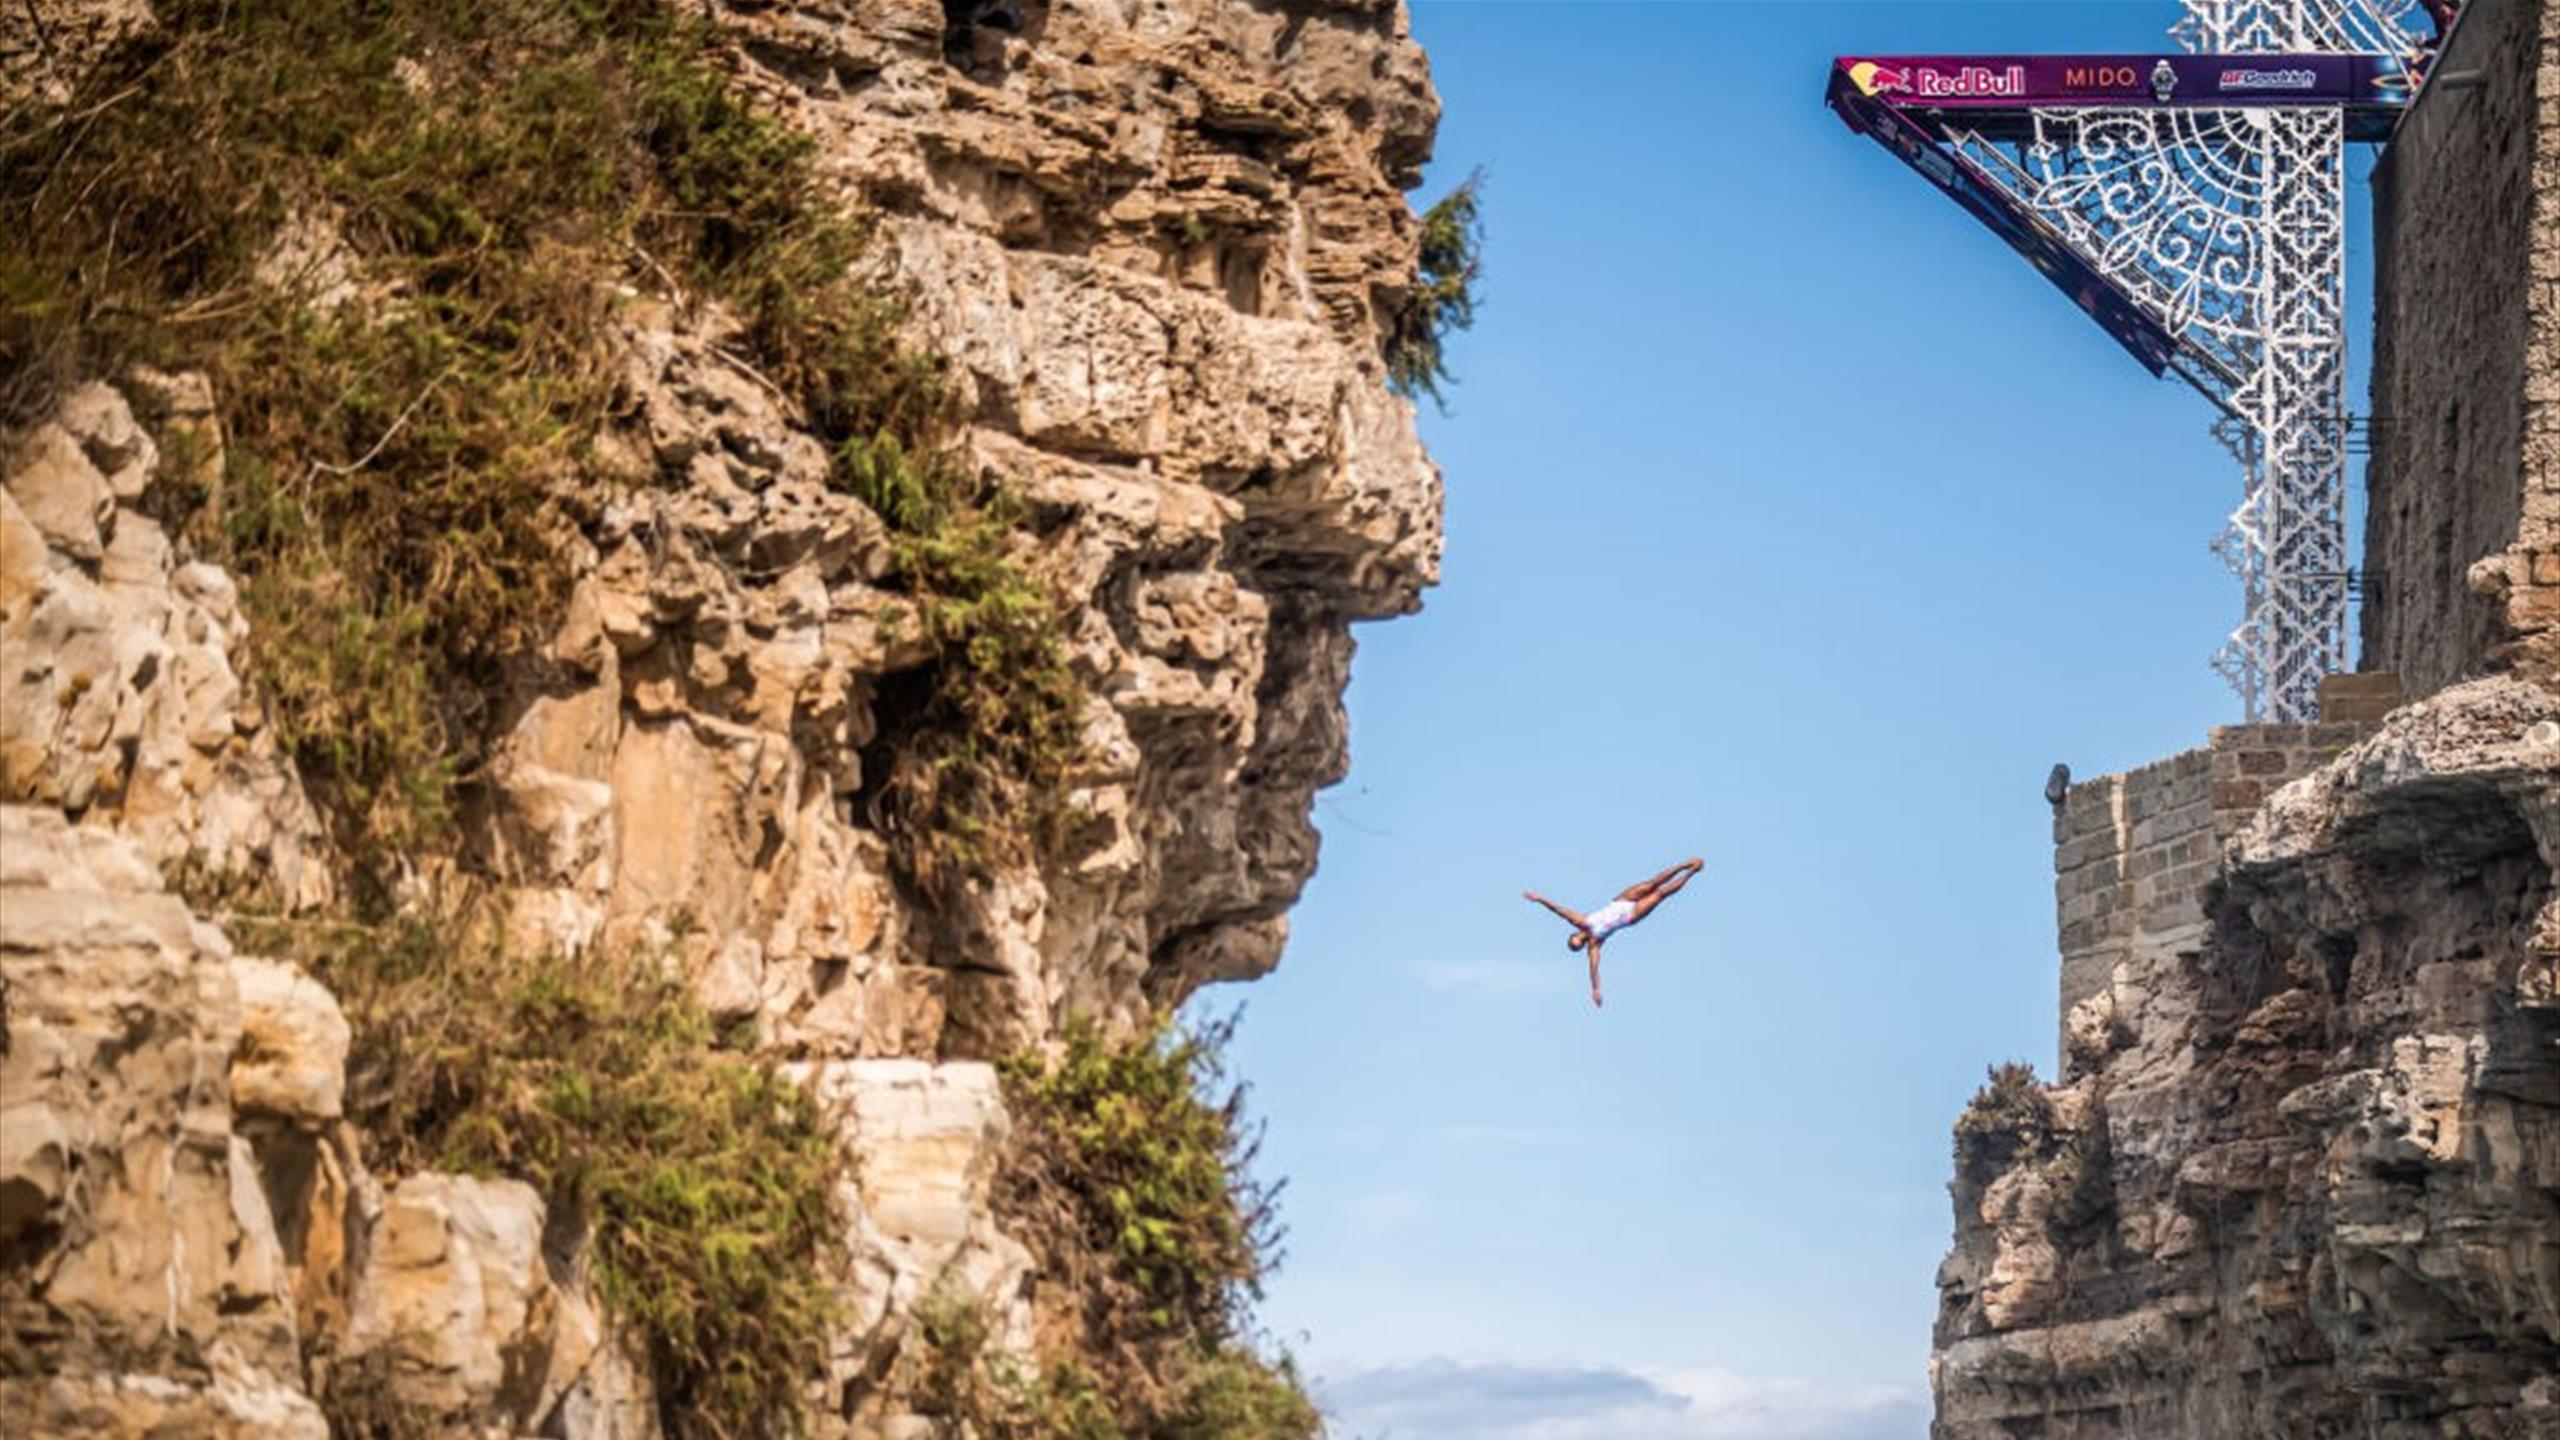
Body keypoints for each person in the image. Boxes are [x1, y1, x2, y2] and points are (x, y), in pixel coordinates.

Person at [1523, 858, 1704, 1009]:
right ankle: (1691, 873)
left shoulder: (1580, 921)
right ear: (1583, 945)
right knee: (1660, 894)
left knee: (1652, 884)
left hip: (1621, 901)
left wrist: (1539, 899)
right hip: (1629, 916)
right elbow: (1593, 968)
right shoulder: (1594, 943)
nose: (1581, 939)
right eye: (1579, 944)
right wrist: (1596, 989)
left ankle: (1685, 865)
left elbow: (1558, 910)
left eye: (1576, 938)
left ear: (1575, 934)